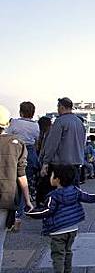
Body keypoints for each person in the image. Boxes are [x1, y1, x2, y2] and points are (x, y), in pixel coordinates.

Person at [26, 165, 95, 273]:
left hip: (58, 230)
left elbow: (47, 210)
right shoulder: (75, 190)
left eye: (52, 175)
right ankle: (68, 271)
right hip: (72, 228)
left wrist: (31, 213)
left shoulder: (53, 195)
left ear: (57, 180)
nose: (50, 177)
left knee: (58, 255)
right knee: (68, 251)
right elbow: (89, 197)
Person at [0, 105, 34, 270]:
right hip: (6, 199)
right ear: (7, 123)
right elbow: (21, 174)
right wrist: (27, 200)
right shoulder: (17, 144)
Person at [6, 101, 40, 228]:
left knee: (12, 182)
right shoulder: (36, 125)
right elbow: (37, 140)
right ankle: (19, 212)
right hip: (30, 152)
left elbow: (7, 136)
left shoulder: (14, 122)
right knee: (23, 183)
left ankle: (11, 211)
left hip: (14, 150)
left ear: (20, 111)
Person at [41, 98, 86, 185]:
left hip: (61, 164)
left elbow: (52, 144)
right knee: (73, 192)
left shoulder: (60, 121)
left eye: (58, 107)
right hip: (76, 163)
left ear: (61, 107)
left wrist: (45, 161)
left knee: (59, 192)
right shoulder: (79, 122)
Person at [36, 116, 53, 207]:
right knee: (45, 183)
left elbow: (45, 148)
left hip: (46, 160)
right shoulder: (47, 132)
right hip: (46, 160)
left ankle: (41, 202)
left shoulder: (48, 133)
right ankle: (43, 202)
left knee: (43, 183)